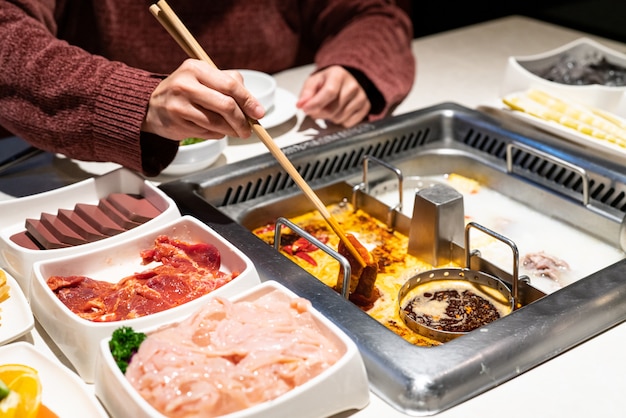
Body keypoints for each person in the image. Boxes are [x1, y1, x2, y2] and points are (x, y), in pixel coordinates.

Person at [0, 0, 415, 176]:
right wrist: (134, 101)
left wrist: (356, 67)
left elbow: (373, 12)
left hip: (275, 139)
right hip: (107, 166)